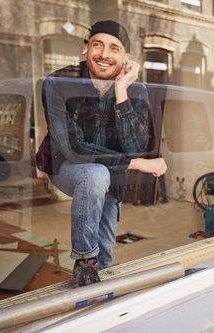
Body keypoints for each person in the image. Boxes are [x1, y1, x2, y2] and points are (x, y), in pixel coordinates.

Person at [35, 20, 167, 288]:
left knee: (106, 249)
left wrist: (121, 92)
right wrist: (138, 164)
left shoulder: (136, 89)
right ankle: (84, 261)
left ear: (125, 58)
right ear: (86, 49)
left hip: (113, 172)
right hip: (66, 167)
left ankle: (97, 287)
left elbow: (133, 147)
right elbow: (75, 149)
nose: (105, 54)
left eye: (114, 48)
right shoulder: (58, 83)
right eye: (97, 45)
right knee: (94, 174)